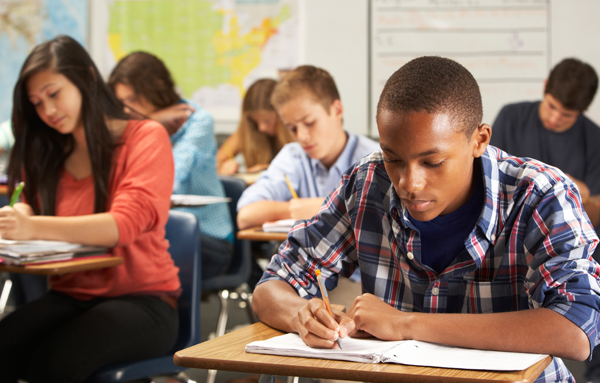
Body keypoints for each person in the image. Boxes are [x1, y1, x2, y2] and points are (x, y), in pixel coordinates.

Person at [251, 56, 600, 382]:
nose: (408, 183)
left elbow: (576, 329)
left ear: (479, 140)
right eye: (394, 159)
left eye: (432, 163)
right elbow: (271, 286)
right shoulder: (367, 182)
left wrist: (406, 324)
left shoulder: (541, 194)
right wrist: (302, 314)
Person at [0, 35, 180, 382]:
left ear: (87, 78)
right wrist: (23, 215)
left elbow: (122, 225)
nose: (48, 111)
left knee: (55, 365)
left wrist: (33, 225)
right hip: (72, 295)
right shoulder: (49, 151)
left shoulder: (145, 137)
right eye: (37, 103)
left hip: (145, 301)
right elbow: (33, 210)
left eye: (54, 94)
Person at [109, 51, 234, 278]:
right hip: (159, 232)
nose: (127, 111)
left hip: (208, 239)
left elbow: (167, 182)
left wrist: (149, 129)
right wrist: (152, 122)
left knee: (136, 246)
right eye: (121, 103)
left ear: (157, 88)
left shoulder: (198, 120)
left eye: (134, 100)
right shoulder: (132, 126)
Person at [236, 65, 380, 230]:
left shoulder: (375, 159)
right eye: (292, 128)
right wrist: (294, 209)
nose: (302, 136)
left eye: (310, 123)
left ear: (337, 110)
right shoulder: (293, 157)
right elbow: (245, 215)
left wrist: (325, 206)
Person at [491, 58, 600, 229]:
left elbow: (594, 210)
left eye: (567, 115)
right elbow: (487, 179)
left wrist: (581, 198)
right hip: (510, 227)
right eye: (551, 106)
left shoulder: (594, 138)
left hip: (567, 233)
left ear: (581, 112)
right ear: (545, 85)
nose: (555, 118)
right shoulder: (510, 117)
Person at [216, 78, 295, 176]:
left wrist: (269, 168)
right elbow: (215, 163)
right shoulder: (246, 132)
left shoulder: (297, 132)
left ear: (282, 115)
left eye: (267, 121)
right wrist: (224, 168)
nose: (261, 128)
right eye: (254, 121)